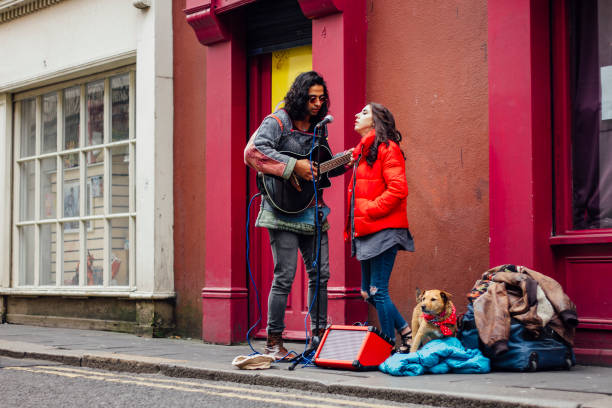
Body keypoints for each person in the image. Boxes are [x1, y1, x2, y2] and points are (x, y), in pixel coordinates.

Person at [244, 71, 349, 360]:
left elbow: (321, 165)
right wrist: (293, 166)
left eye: (321, 98)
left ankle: (317, 337)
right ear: (300, 96)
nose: (317, 104)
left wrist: (344, 162)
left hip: (312, 209)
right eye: (311, 98)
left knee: (321, 274)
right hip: (280, 210)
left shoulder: (319, 127)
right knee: (285, 276)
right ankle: (273, 343)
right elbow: (253, 152)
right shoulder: (277, 121)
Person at [345, 102, 415, 353]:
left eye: (364, 112)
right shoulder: (363, 151)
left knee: (378, 290)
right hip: (366, 229)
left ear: (376, 122)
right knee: (367, 292)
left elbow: (398, 189)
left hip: (384, 228)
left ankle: (386, 346)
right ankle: (406, 332)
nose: (357, 114)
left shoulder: (388, 148)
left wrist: (368, 209)